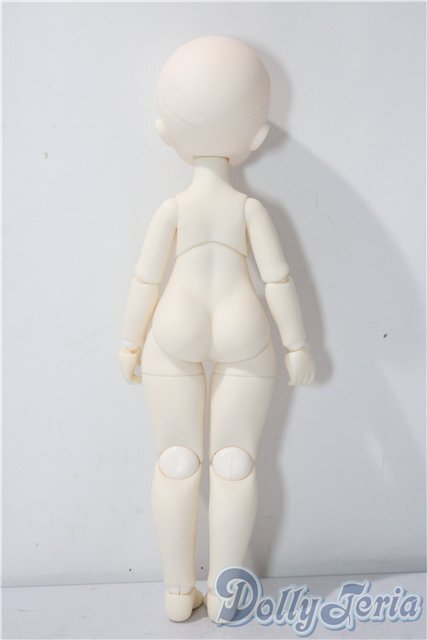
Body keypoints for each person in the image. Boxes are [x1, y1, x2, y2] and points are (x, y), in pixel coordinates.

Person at [119, 36, 315, 623]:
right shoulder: (249, 210)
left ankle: (179, 592)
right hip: (242, 324)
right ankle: (227, 594)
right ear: (257, 137)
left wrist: (129, 342)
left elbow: (145, 280)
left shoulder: (173, 210)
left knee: (176, 459)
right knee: (235, 461)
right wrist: (296, 345)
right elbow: (277, 280)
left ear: (164, 131)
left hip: (174, 324)